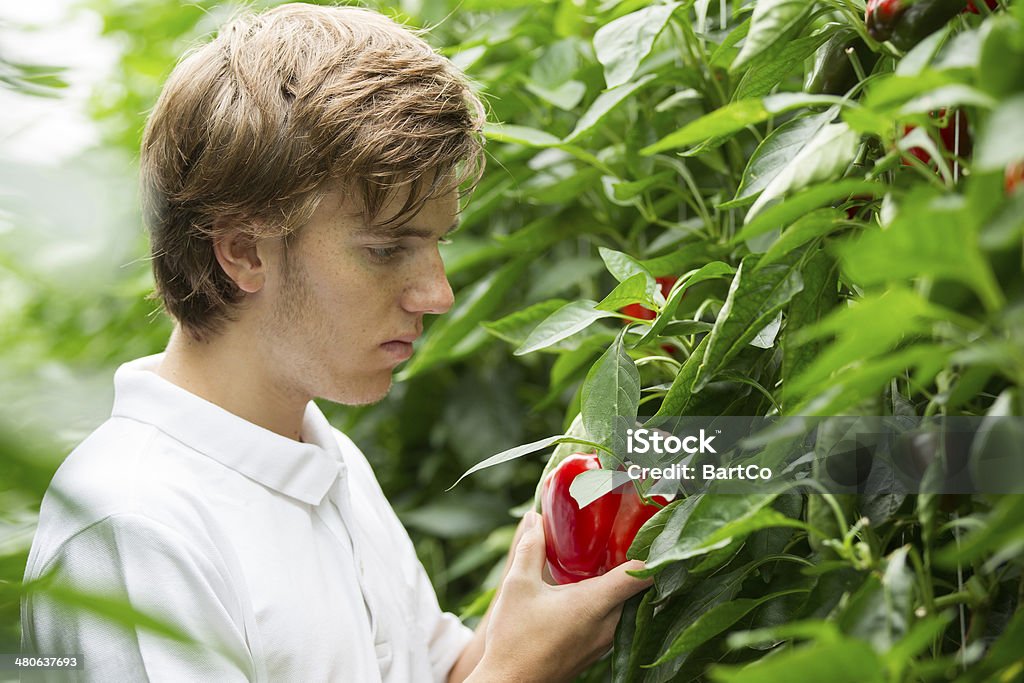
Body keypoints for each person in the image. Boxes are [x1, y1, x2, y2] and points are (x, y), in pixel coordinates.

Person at [20, 4, 652, 682]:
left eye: (436, 242)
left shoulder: (321, 454)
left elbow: (438, 671)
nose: (437, 294)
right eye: (386, 249)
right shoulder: (134, 524)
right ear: (243, 250)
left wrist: (613, 484)